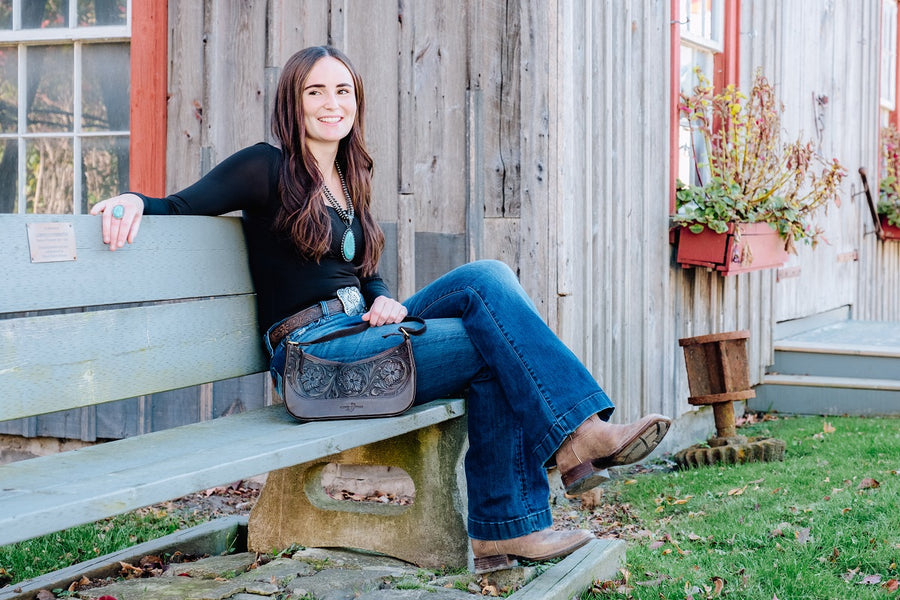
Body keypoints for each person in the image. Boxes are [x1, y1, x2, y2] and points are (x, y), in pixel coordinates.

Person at [92, 45, 671, 574]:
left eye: (342, 90)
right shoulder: (265, 167)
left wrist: (385, 297)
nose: (331, 103)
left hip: (359, 330)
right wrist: (131, 203)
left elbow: (365, 272)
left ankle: (529, 503)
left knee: (488, 280)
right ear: (292, 103)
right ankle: (553, 468)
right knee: (494, 345)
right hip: (314, 357)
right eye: (314, 91)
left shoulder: (350, 176)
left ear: (355, 102)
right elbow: (182, 203)